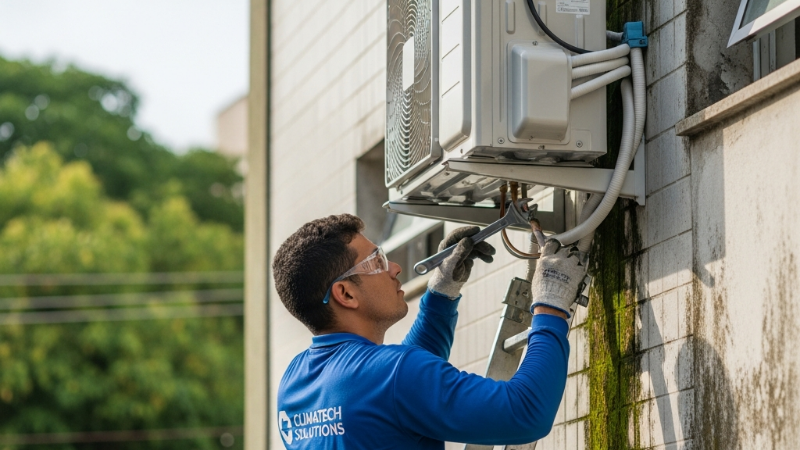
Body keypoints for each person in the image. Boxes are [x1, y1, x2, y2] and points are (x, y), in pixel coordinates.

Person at [272, 214, 584, 449]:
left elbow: (393, 395)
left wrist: (441, 294)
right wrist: (550, 304)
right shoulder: (391, 375)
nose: (394, 267)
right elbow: (525, 411)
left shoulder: (294, 384)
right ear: (346, 294)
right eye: (376, 261)